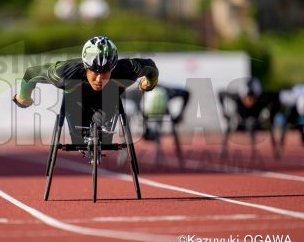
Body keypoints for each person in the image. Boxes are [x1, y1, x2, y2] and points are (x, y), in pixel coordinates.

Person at [13, 36, 158, 147]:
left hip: (109, 102)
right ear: (85, 66)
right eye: (94, 72)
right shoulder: (64, 73)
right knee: (79, 140)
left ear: (113, 68)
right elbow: (31, 73)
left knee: (106, 134)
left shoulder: (128, 69)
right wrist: (23, 97)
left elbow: (151, 67)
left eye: (106, 72)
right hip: (76, 103)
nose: (99, 78)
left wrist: (149, 83)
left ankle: (101, 129)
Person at [123, 85, 190, 167]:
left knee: (129, 122)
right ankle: (178, 157)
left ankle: (124, 155)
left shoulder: (135, 92)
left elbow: (119, 95)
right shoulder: (167, 90)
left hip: (145, 113)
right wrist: (179, 114)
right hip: (157, 112)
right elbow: (186, 93)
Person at [218, 77, 280, 160]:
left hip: (257, 122)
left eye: (252, 97)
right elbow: (220, 93)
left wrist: (271, 115)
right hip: (240, 122)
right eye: (246, 97)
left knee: (265, 125)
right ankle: (223, 149)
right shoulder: (237, 97)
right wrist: (224, 111)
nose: (249, 100)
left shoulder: (263, 99)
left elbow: (277, 96)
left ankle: (273, 150)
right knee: (230, 125)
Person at [277, 84, 304, 155]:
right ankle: (281, 145)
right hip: (294, 116)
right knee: (284, 124)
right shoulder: (292, 96)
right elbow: (282, 97)